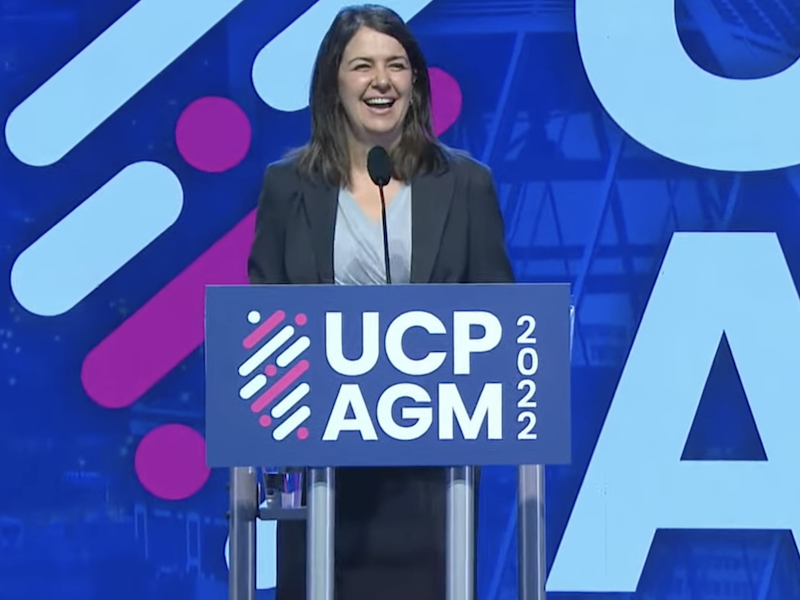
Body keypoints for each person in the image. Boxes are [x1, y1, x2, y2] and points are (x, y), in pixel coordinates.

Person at [247, 4, 514, 600]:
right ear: (333, 82)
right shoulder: (287, 185)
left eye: (397, 65)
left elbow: (501, 320)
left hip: (430, 477)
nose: (381, 81)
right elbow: (261, 318)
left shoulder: (466, 184)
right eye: (361, 65)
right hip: (318, 472)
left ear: (415, 81)